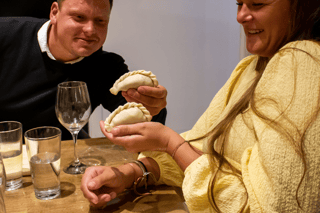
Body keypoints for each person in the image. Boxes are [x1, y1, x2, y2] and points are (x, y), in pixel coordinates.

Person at [81, 0, 320, 212]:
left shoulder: (303, 61)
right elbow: (202, 148)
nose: (241, 16)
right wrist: (133, 171)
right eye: (239, 4)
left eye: (257, 4)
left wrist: (169, 142)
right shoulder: (250, 68)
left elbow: (273, 205)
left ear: (300, 7)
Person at [0, 0, 167, 140]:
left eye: (100, 21)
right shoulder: (6, 35)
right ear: (54, 12)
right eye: (79, 17)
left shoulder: (105, 66)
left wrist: (153, 106)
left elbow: (145, 124)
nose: (90, 30)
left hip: (63, 159)